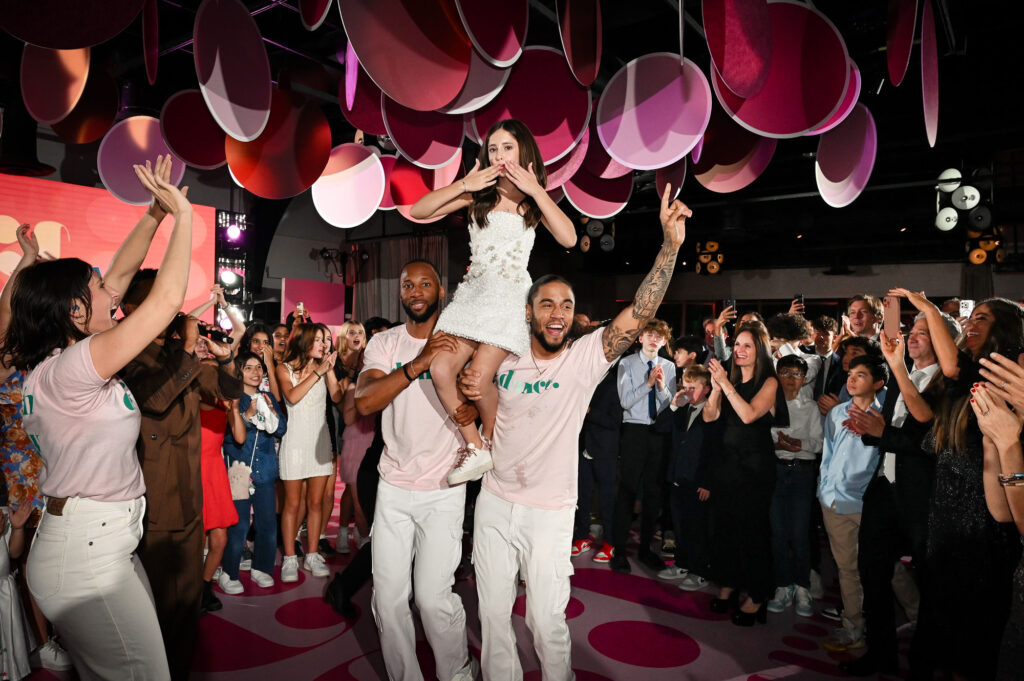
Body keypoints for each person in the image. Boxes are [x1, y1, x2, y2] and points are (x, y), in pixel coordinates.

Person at [459, 185, 690, 680]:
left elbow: (641, 315)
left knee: (546, 620)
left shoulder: (584, 360)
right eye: (546, 304)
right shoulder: (504, 351)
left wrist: (669, 246)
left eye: (566, 305)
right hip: (496, 501)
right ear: (529, 311)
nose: (558, 313)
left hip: (551, 511)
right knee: (493, 617)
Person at [1, 157, 191, 679]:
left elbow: (126, 273)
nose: (116, 291)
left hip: (97, 543)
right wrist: (186, 215)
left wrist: (154, 216)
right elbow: (166, 301)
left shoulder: (56, 364)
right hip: (86, 552)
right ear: (74, 314)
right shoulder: (72, 369)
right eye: (99, 287)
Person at [409, 119, 576, 485]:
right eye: (494, 148)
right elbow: (418, 211)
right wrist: (464, 183)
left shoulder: (532, 202)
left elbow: (569, 238)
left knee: (475, 383)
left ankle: (499, 445)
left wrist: (536, 190)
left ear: (523, 152)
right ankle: (476, 446)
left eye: (507, 148)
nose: (499, 155)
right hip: (471, 297)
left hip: (508, 300)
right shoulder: (477, 195)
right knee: (439, 370)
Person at [354, 259, 480, 681]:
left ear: (441, 291)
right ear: (401, 293)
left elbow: (484, 399)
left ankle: (457, 672)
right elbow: (366, 402)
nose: (417, 291)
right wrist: (417, 364)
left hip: (444, 487)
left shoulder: (464, 343)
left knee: (431, 598)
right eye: (408, 284)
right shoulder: (385, 344)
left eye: (426, 283)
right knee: (387, 600)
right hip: (393, 486)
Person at [889, 290, 1023, 680]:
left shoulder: (1010, 370)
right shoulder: (963, 374)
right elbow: (924, 415)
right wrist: (897, 366)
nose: (972, 324)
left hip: (987, 505)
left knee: (973, 615)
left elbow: (951, 366)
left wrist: (928, 308)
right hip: (946, 499)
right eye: (972, 317)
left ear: (1006, 328)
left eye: (983, 318)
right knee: (939, 603)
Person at [704, 322, 789, 627]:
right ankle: (728, 585)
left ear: (760, 351)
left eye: (746, 346)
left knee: (752, 532)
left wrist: (726, 384)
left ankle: (757, 596)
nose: (738, 350)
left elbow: (749, 414)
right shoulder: (730, 382)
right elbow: (709, 416)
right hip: (727, 466)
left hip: (754, 469)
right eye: (736, 344)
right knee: (724, 529)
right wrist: (716, 389)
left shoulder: (769, 383)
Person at [818, 356, 888, 652]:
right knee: (847, 569)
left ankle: (914, 617)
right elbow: (828, 453)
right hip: (834, 500)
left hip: (867, 502)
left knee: (888, 569)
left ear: (878, 383)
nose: (852, 379)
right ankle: (853, 626)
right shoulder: (836, 414)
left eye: (861, 374)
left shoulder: (885, 417)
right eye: (850, 374)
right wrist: (824, 489)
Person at [276, 324, 342, 582]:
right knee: (292, 504)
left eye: (325, 341)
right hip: (294, 442)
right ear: (304, 341)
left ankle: (312, 554)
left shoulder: (324, 367)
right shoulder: (285, 367)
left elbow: (336, 397)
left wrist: (330, 370)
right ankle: (291, 558)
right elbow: (292, 396)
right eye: (317, 340)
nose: (323, 345)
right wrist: (318, 372)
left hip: (320, 442)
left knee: (316, 503)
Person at [610, 319, 676, 573]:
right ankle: (618, 550)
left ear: (663, 341)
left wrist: (660, 387)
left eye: (658, 336)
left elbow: (669, 405)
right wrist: (647, 384)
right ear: (639, 338)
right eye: (648, 334)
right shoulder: (626, 363)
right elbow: (625, 401)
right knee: (626, 490)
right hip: (634, 431)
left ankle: (646, 548)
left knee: (653, 493)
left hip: (659, 432)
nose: (653, 339)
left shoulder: (668, 366)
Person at [220, 351, 287, 594]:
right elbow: (228, 437)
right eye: (249, 368)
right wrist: (246, 418)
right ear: (239, 372)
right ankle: (229, 571)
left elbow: (281, 429)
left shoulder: (268, 396)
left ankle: (262, 568)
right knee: (237, 525)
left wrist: (273, 412)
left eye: (259, 367)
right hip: (239, 471)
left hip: (266, 471)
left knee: (267, 523)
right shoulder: (233, 399)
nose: (256, 372)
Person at [766, 354, 823, 618]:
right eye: (786, 372)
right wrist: (782, 444)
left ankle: (802, 586)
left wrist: (796, 445)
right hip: (775, 472)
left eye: (797, 374)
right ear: (777, 376)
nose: (791, 379)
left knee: (800, 534)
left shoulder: (810, 406)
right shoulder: (769, 405)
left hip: (801, 473)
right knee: (776, 532)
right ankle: (782, 584)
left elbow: (818, 443)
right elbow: (766, 439)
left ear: (804, 379)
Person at [657, 364, 718, 592]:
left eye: (694, 387)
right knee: (680, 524)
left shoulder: (713, 414)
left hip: (697, 480)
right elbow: (660, 427)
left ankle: (699, 570)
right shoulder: (682, 410)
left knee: (697, 527)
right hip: (677, 477)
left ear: (707, 389)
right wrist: (673, 404)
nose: (688, 391)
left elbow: (713, 452)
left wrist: (707, 482)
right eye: (686, 386)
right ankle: (682, 564)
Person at [332, 321, 368, 554]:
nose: (356, 336)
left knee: (352, 487)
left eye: (360, 333)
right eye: (351, 332)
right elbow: (337, 398)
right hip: (340, 424)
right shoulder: (335, 363)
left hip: (365, 430)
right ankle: (347, 532)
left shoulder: (371, 359)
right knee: (352, 486)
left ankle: (348, 531)